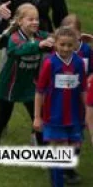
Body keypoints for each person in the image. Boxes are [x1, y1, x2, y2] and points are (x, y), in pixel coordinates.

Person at [0, 3, 52, 145]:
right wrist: (39, 46)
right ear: (20, 21)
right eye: (30, 19)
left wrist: (74, 39)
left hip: (29, 87)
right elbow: (17, 49)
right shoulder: (15, 38)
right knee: (3, 118)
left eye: (37, 19)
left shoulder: (41, 36)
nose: (35, 22)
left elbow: (58, 40)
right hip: (9, 86)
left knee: (39, 118)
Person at [33, 27, 85, 187]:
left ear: (75, 45)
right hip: (54, 116)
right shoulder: (50, 63)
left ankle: (58, 168)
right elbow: (40, 91)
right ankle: (57, 182)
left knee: (75, 148)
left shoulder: (78, 63)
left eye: (69, 45)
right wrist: (37, 117)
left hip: (75, 116)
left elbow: (83, 89)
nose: (66, 48)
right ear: (55, 44)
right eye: (62, 44)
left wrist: (88, 114)